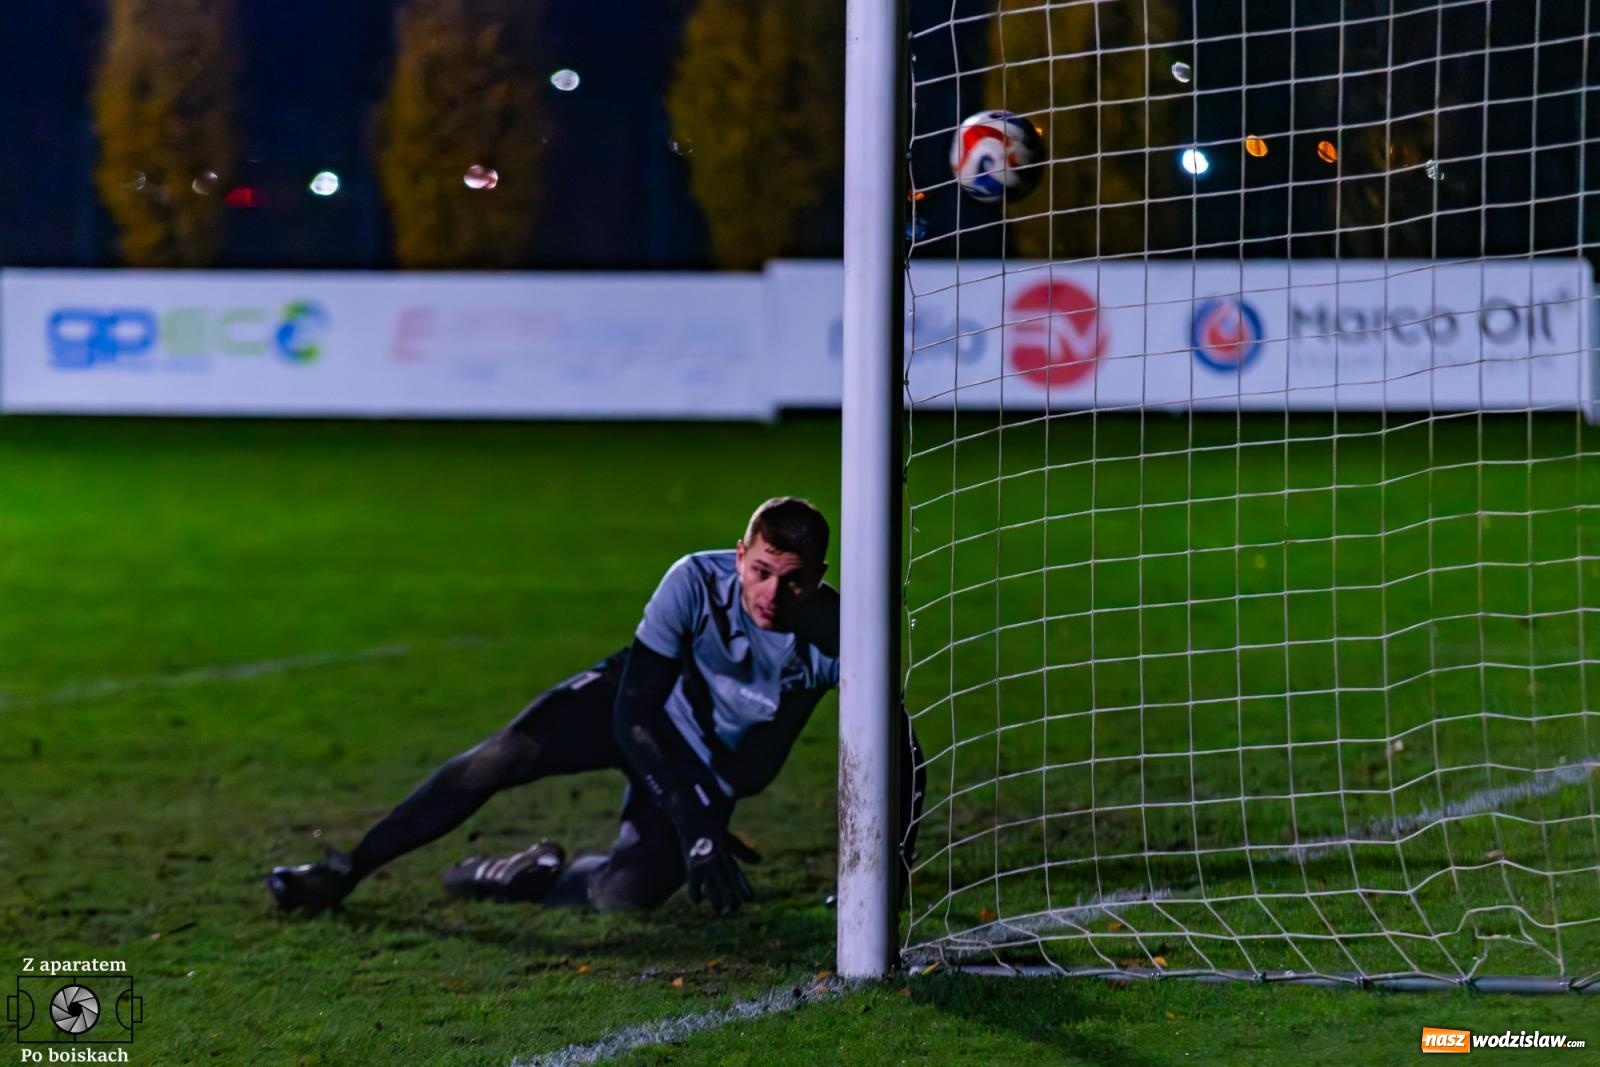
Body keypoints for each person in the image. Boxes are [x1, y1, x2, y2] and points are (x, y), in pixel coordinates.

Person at [266, 496, 922, 915]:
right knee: (503, 754)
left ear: (821, 575)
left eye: (795, 578)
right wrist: (694, 824)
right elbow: (631, 713)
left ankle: (530, 874)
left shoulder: (842, 634)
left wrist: (885, 867)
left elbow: (903, 751)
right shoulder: (693, 579)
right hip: (638, 704)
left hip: (708, 762)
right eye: (762, 570)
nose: (774, 591)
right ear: (740, 555)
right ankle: (343, 872)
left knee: (624, 896)